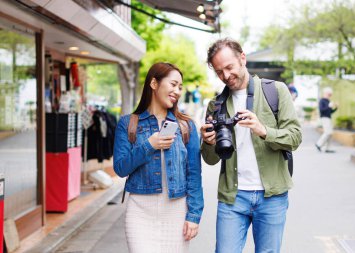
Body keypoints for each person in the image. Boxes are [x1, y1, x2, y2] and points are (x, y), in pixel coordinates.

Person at [200, 38, 302, 253]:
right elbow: (210, 159)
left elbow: (295, 137)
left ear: (242, 59)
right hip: (232, 198)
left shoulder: (276, 91)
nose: (226, 76)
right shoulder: (215, 105)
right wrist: (208, 143)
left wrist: (263, 130)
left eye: (229, 67)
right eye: (219, 72)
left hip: (272, 196)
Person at [113, 62, 204, 253]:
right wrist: (149, 146)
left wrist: (194, 215)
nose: (177, 91)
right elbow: (120, 168)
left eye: (180, 87)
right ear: (154, 83)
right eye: (173, 84)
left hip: (176, 212)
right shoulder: (128, 123)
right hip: (140, 212)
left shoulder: (186, 126)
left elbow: (194, 175)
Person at [315, 87, 338, 153]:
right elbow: (321, 110)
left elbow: (330, 111)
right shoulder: (322, 101)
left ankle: (328, 148)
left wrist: (335, 108)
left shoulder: (328, 101)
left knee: (330, 133)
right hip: (324, 118)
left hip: (328, 118)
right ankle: (319, 144)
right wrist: (329, 106)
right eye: (329, 94)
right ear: (325, 93)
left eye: (330, 94)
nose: (330, 96)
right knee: (328, 132)